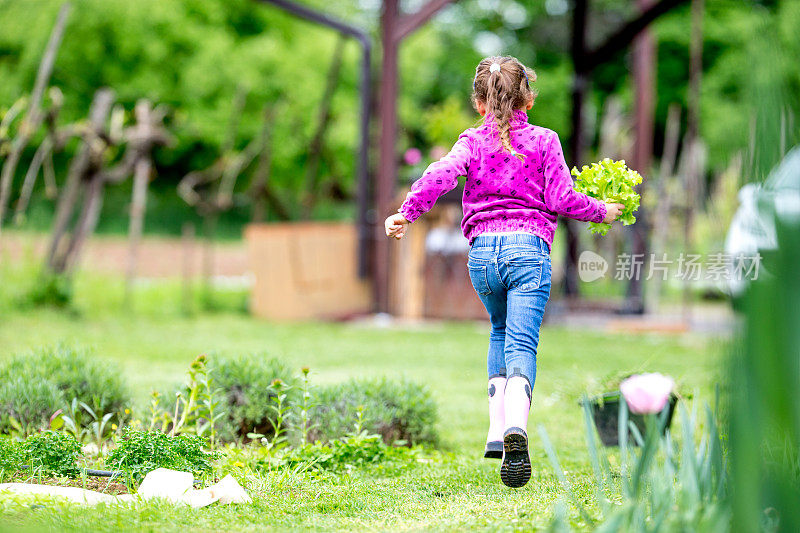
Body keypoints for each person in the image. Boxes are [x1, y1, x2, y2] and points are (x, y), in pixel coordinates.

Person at [385, 56, 624, 489]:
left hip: (482, 255)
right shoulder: (545, 140)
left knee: (498, 331)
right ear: (528, 98)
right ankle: (517, 428)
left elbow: (442, 173)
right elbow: (563, 198)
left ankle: (497, 431)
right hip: (528, 250)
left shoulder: (471, 141)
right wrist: (602, 211)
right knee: (521, 342)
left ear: (479, 102)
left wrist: (407, 212)